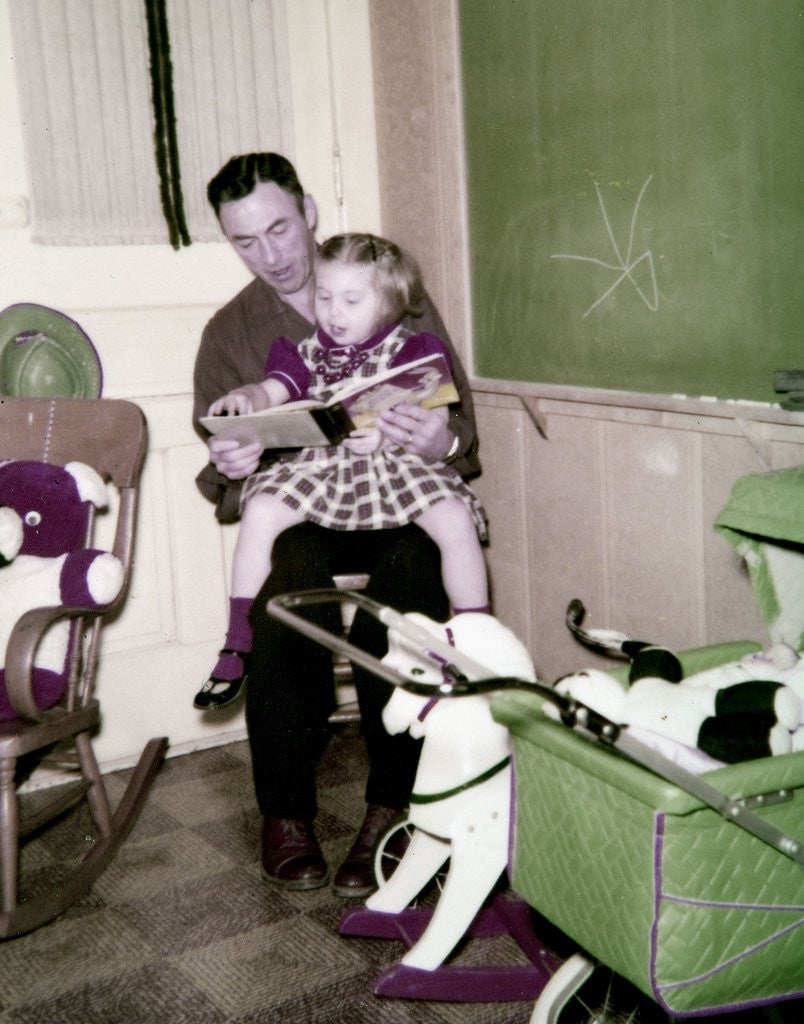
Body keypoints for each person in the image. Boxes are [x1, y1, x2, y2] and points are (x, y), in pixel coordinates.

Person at [193, 153, 481, 898]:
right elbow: (221, 481)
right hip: (309, 506)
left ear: (310, 210)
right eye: (245, 241)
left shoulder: (389, 290)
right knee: (286, 588)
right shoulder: (231, 331)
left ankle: (393, 804)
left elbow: (462, 432)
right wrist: (236, 457)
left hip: (397, 495)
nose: (271, 256)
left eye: (280, 229)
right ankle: (285, 812)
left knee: (416, 574)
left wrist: (437, 440)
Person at [195, 231, 489, 712]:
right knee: (262, 510)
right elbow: (273, 389)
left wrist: (394, 433)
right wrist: (247, 398)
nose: (333, 312)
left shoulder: (415, 349)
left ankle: (475, 635)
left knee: (455, 519)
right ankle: (236, 641)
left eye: (351, 299)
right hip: (325, 472)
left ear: (390, 302)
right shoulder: (306, 352)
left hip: (396, 470)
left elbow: (436, 415)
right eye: (325, 297)